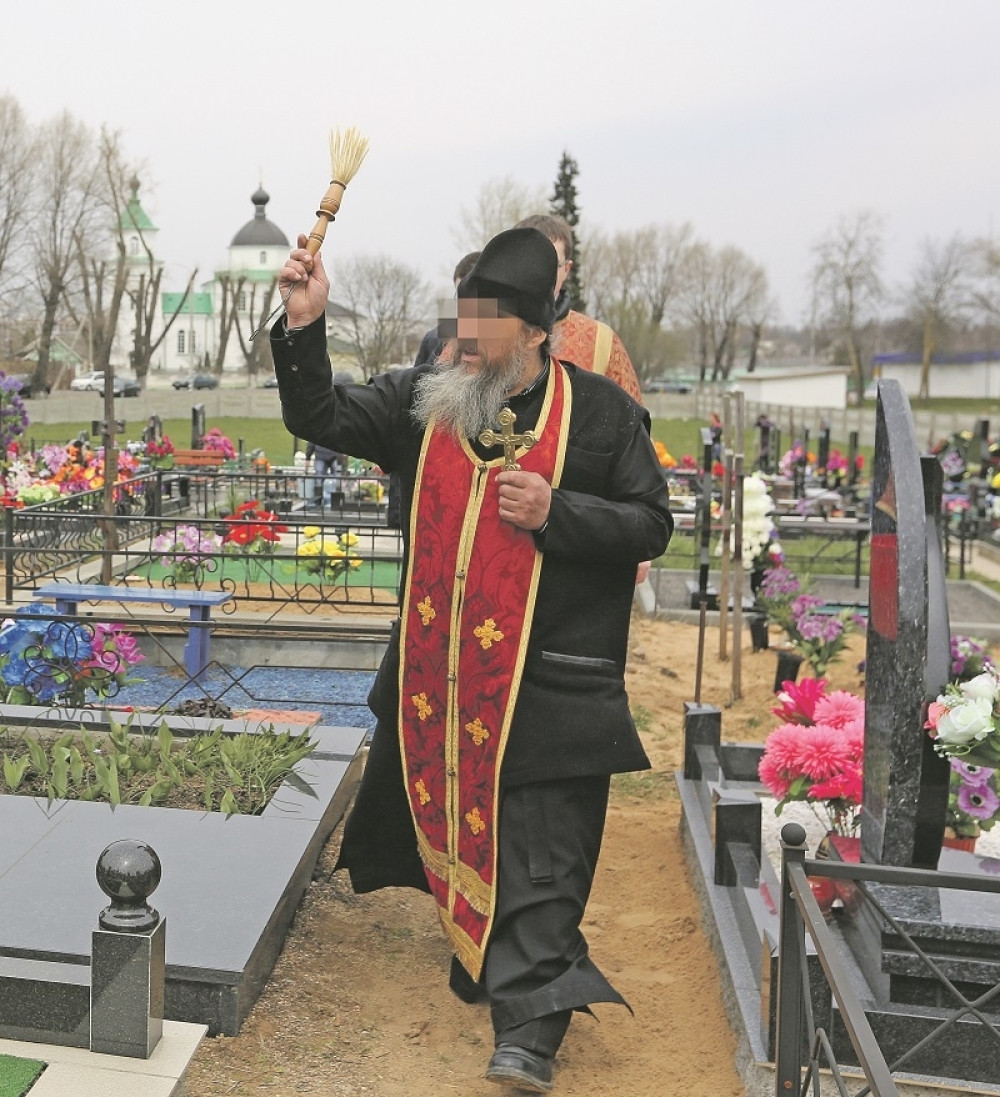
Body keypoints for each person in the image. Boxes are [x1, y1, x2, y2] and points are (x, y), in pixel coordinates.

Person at [271, 226, 672, 1092]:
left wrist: (557, 511)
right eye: (462, 312)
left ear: (532, 330)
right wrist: (305, 325)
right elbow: (321, 415)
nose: (463, 333)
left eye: (484, 319)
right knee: (462, 839)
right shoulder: (429, 399)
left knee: (544, 859)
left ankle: (529, 1035)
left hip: (553, 685)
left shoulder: (602, 415)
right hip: (444, 687)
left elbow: (652, 522)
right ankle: (481, 952)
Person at [514, 214, 643, 404]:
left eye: (549, 264)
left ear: (567, 269)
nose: (538, 275)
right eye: (529, 263)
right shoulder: (478, 332)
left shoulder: (602, 341)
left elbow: (632, 423)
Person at [304, 440, 343, 507]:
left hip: (335, 456)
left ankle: (336, 501)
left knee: (337, 479)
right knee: (319, 479)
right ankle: (318, 501)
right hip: (320, 456)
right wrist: (308, 457)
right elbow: (311, 441)